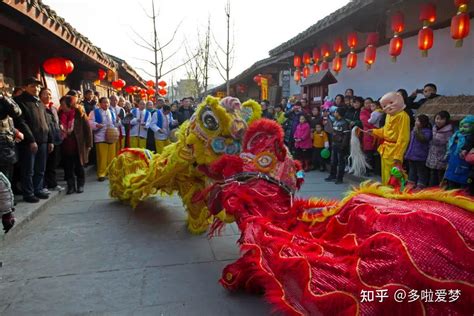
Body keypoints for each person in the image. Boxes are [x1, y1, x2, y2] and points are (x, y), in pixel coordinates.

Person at [14, 77, 54, 203]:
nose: (36, 89)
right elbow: (21, 123)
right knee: (28, 169)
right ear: (25, 87)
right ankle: (29, 193)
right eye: (32, 86)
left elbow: (47, 122)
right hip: (29, 142)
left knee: (40, 168)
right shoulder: (20, 101)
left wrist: (50, 140)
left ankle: (38, 189)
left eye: (37, 86)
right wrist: (31, 140)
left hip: (43, 140)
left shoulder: (39, 103)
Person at [369, 92, 410, 186]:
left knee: (395, 175)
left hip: (395, 149)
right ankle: (386, 192)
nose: (388, 107)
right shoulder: (388, 115)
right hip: (386, 149)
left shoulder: (403, 116)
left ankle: (393, 195)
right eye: (384, 105)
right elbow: (386, 131)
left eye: (391, 103)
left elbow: (403, 137)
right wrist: (375, 132)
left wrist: (398, 155)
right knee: (385, 174)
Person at [58, 96, 92, 194]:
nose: (62, 106)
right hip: (65, 144)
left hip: (78, 145)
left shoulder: (79, 113)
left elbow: (87, 129)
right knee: (68, 168)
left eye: (63, 104)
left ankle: (80, 185)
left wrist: (89, 144)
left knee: (79, 166)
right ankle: (71, 186)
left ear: (70, 104)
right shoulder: (60, 114)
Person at [89, 97, 118, 181]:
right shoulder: (94, 112)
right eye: (104, 102)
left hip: (111, 136)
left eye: (108, 103)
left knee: (111, 156)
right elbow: (90, 122)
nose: (106, 104)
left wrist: (118, 123)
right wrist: (96, 125)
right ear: (100, 104)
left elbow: (114, 123)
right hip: (100, 136)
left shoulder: (112, 112)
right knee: (102, 157)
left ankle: (110, 172)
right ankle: (101, 174)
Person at [41, 88, 63, 192]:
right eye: (45, 94)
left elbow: (56, 122)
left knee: (53, 163)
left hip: (56, 138)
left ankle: (53, 184)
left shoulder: (53, 108)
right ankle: (43, 185)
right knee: (44, 164)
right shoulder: (40, 107)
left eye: (50, 94)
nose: (48, 96)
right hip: (46, 139)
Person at [444, 115, 474, 190]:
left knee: (462, 185)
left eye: (466, 127)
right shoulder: (456, 135)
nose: (462, 129)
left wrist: (465, 150)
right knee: (451, 182)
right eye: (461, 126)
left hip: (464, 164)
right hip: (453, 163)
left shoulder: (470, 138)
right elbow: (450, 148)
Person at [404, 114, 432, 189]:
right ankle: (411, 183)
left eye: (418, 121)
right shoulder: (414, 130)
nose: (416, 122)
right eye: (416, 120)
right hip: (411, 155)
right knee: (412, 171)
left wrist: (417, 131)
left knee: (421, 172)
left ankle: (421, 184)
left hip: (420, 156)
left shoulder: (427, 131)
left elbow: (423, 139)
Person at [426, 111, 453, 187]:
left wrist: (447, 156)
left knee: (440, 174)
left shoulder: (448, 131)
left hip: (442, 155)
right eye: (437, 118)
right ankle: (431, 190)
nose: (438, 121)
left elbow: (449, 145)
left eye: (441, 119)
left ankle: (440, 191)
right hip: (432, 154)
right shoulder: (434, 128)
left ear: (446, 120)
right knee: (432, 172)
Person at [325, 107, 350, 184]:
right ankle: (332, 175)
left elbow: (346, 135)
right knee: (333, 161)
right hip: (334, 144)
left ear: (339, 113)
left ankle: (339, 178)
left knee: (341, 162)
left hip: (341, 145)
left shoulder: (345, 123)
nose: (334, 113)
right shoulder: (335, 122)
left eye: (335, 112)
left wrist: (343, 145)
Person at [360, 97, 377, 174]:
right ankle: (367, 170)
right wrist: (376, 129)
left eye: (369, 103)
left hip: (376, 135)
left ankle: (374, 169)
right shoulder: (363, 112)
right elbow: (367, 123)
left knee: (375, 154)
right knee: (368, 154)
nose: (368, 104)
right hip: (368, 134)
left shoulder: (376, 111)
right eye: (366, 103)